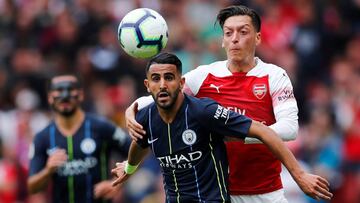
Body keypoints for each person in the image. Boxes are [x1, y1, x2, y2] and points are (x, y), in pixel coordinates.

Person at [126, 5, 302, 203]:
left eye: (243, 32)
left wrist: (232, 133)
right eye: (228, 33)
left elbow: (289, 129)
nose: (235, 38)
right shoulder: (204, 75)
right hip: (218, 193)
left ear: (258, 38)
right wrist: (130, 112)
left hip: (266, 192)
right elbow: (160, 94)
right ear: (223, 40)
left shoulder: (274, 75)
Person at [112, 53, 332, 203]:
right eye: (156, 79)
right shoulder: (146, 117)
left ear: (181, 82)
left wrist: (299, 174)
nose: (162, 84)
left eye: (169, 78)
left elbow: (264, 131)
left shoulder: (204, 112)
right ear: (147, 85)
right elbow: (140, 142)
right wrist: (129, 169)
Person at [27, 73, 130, 203]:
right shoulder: (42, 138)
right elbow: (32, 187)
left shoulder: (102, 127)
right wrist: (48, 171)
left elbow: (137, 151)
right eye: (59, 90)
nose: (65, 96)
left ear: (81, 95)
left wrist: (117, 183)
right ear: (49, 98)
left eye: (70, 90)